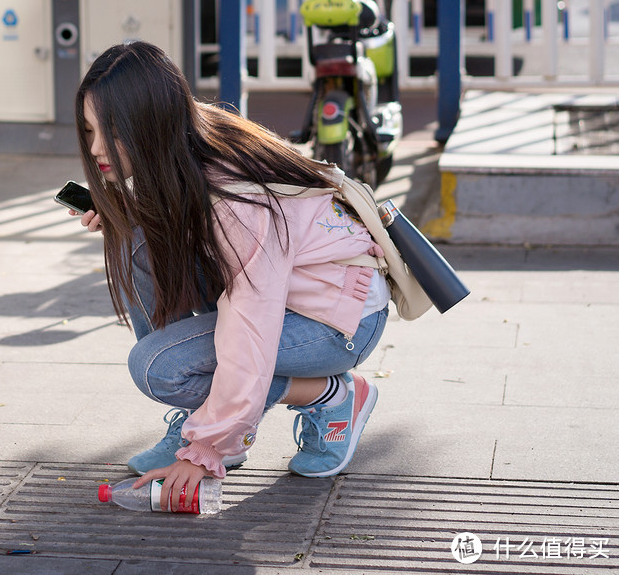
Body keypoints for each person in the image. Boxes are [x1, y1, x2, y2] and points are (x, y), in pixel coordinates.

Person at [68, 41, 390, 512]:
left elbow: (249, 328)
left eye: (112, 132)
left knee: (159, 367)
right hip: (285, 298)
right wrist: (126, 213)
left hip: (338, 320)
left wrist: (205, 452)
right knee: (136, 237)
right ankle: (216, 417)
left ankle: (334, 396)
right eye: (90, 130)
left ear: (150, 122)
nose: (96, 149)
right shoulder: (193, 137)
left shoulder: (236, 198)